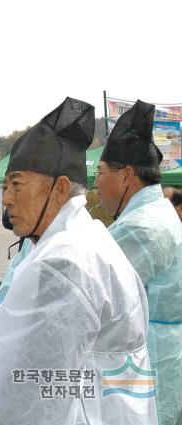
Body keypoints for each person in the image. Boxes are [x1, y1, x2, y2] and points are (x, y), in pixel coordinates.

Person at [0, 97, 156, 424]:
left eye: (17, 184)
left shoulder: (63, 263)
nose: (8, 199)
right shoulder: (86, 234)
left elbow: (23, 391)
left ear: (59, 189)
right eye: (5, 186)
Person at [96, 99, 182, 425]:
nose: (96, 183)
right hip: (162, 354)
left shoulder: (140, 227)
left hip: (148, 361)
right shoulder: (157, 212)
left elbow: (96, 292)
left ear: (127, 175)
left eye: (101, 173)